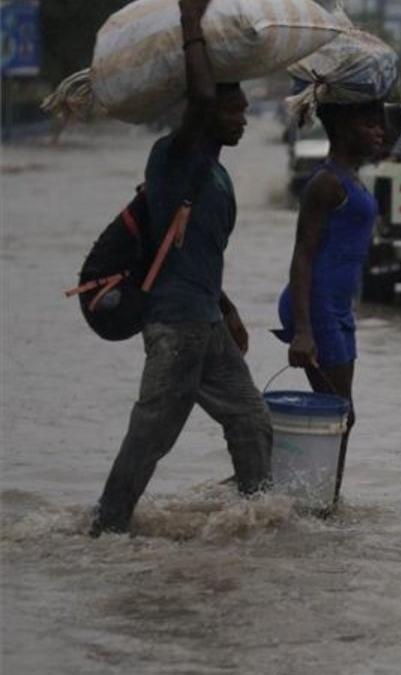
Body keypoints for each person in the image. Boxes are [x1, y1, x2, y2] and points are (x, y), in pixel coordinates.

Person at [89, 0, 270, 536]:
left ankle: (255, 519)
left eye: (243, 110)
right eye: (233, 110)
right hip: (173, 326)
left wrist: (229, 310)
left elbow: (201, 254)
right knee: (151, 435)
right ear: (207, 113)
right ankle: (108, 528)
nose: (242, 118)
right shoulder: (174, 158)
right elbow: (201, 95)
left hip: (206, 326)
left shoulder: (217, 177)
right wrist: (192, 21)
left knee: (252, 421)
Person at [274, 100, 385, 513]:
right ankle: (319, 507)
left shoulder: (353, 178)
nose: (379, 132)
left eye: (380, 125)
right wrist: (303, 331)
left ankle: (316, 501)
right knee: (341, 416)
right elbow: (302, 255)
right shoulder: (326, 183)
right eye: (369, 124)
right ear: (342, 128)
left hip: (338, 309)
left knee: (341, 416)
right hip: (315, 306)